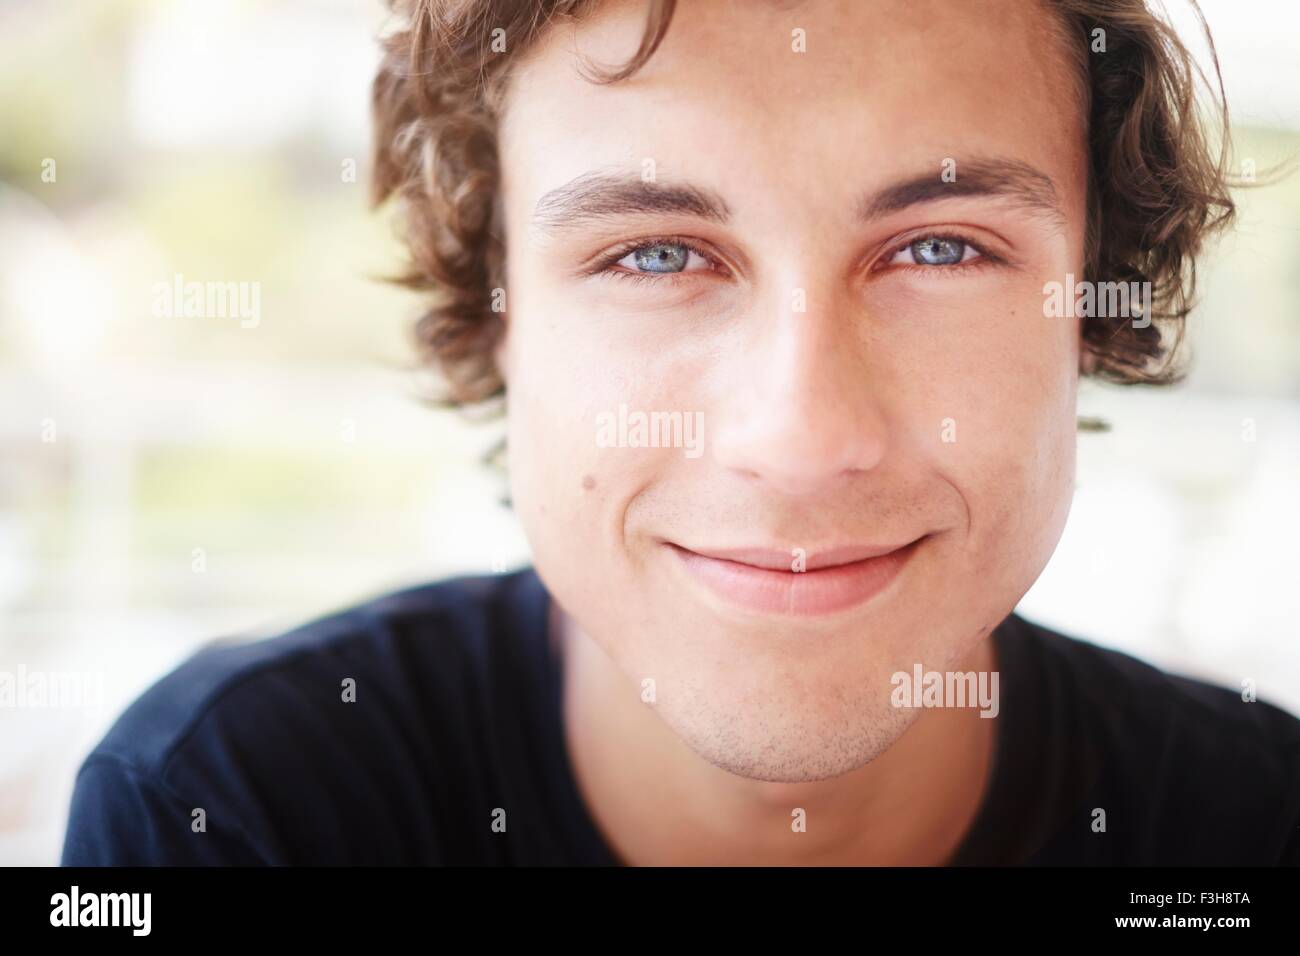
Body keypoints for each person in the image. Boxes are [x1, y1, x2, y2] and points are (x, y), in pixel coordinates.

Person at [62, 0, 1300, 866]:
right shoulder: (227, 808)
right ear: (496, 312)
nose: (802, 436)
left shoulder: (1256, 827)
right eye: (654, 253)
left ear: (1087, 305)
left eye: (940, 247)